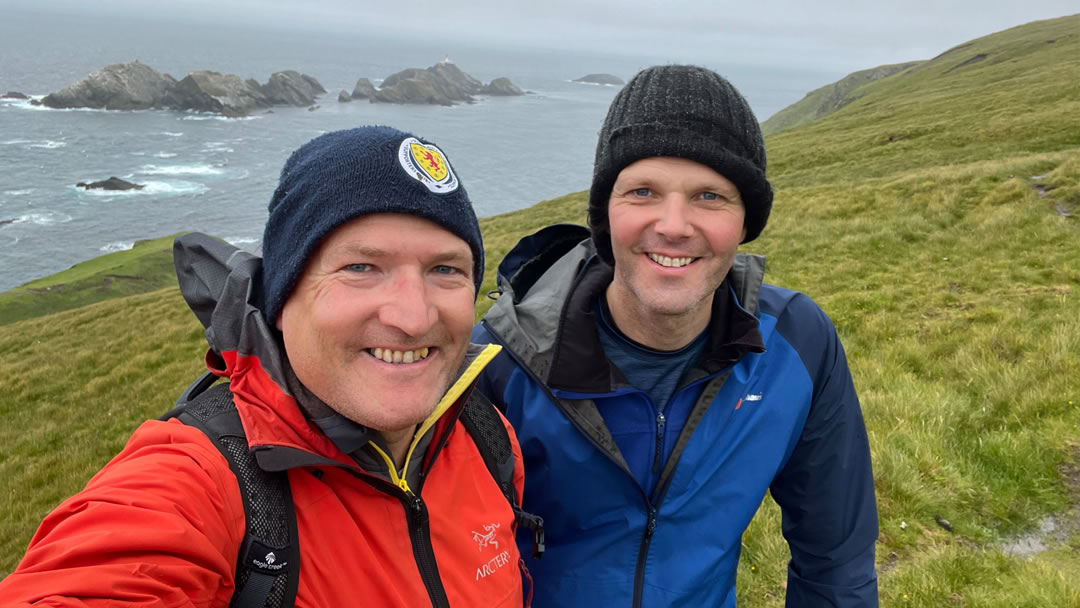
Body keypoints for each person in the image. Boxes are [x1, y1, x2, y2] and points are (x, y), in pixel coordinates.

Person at [1, 126, 528, 607]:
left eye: (445, 269)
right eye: (361, 267)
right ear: (282, 297)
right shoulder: (201, 484)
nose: (413, 317)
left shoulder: (486, 437)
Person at [473, 65, 879, 606]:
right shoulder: (499, 362)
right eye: (642, 191)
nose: (673, 224)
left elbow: (836, 560)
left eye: (710, 196)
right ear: (605, 213)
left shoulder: (798, 345)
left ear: (745, 222)